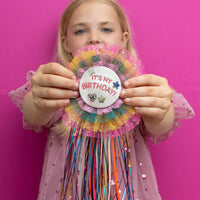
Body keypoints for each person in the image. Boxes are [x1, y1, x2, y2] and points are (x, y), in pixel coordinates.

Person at [9, 0, 194, 199]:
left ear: (124, 39)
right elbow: (35, 114)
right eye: (80, 31)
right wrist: (39, 99)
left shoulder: (139, 88)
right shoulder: (59, 85)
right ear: (66, 43)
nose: (94, 38)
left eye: (106, 29)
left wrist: (160, 110)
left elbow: (160, 125)